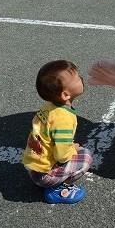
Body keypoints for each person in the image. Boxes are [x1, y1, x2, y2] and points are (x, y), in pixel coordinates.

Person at [22, 60, 92, 204]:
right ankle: (56, 189)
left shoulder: (49, 106)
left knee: (75, 150)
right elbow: (61, 156)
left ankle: (50, 180)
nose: (81, 78)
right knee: (86, 157)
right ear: (66, 95)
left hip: (34, 165)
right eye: (77, 78)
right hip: (43, 176)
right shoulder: (63, 118)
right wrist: (72, 149)